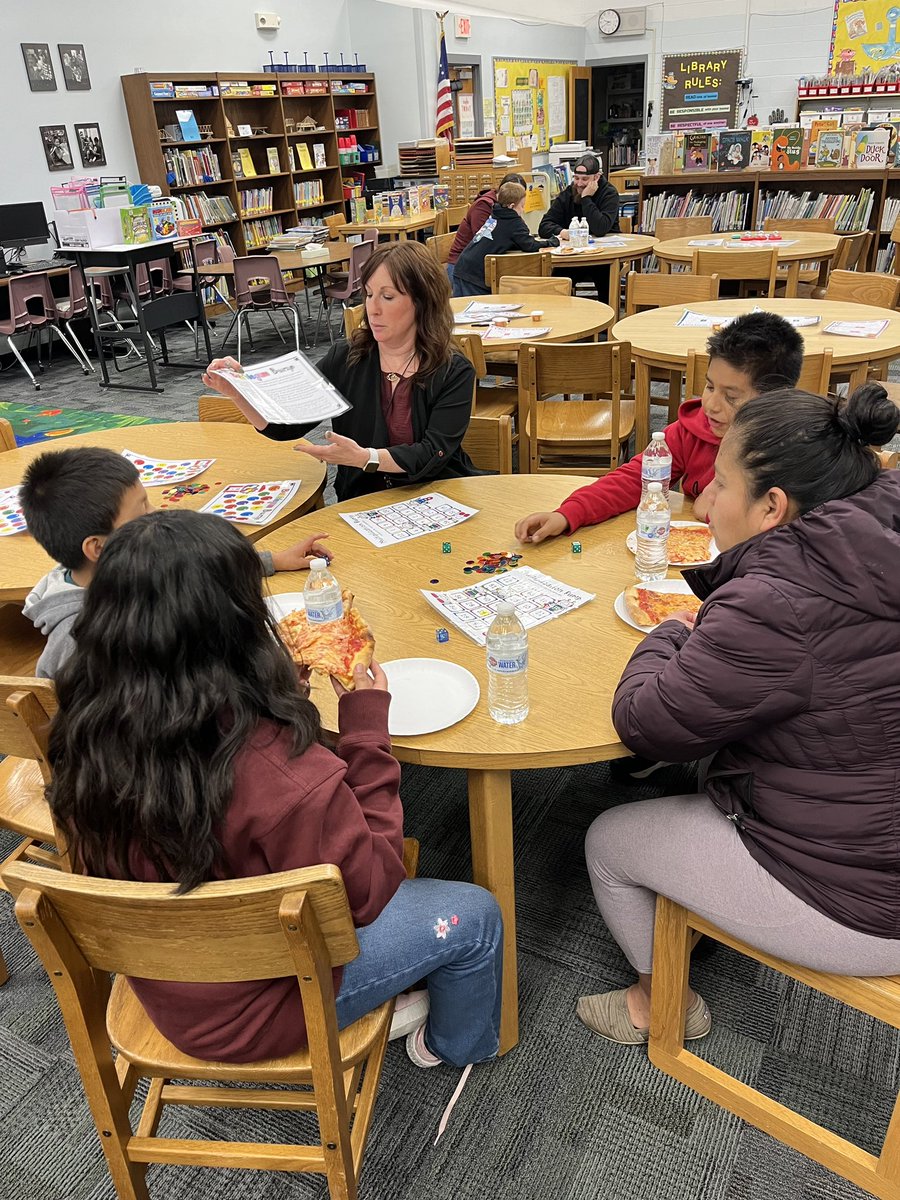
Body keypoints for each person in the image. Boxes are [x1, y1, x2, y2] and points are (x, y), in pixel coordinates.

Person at [46, 509, 503, 1074]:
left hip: (169, 985)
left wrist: (270, 703)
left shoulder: (84, 726)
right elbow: (373, 887)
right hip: (268, 1006)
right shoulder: (282, 775)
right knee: (476, 916)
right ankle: (456, 1046)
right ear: (239, 624)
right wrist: (365, 733)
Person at [579, 382, 900, 1045]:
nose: (702, 502)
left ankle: (659, 1004)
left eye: (720, 485)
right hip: (872, 825)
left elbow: (645, 723)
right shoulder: (876, 533)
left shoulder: (777, 603)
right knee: (716, 760)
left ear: (771, 507)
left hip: (865, 899)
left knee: (607, 841)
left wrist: (671, 631)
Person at [19, 447, 329, 678]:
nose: (156, 512)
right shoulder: (80, 640)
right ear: (98, 547)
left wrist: (273, 560)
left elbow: (192, 565)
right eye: (142, 509)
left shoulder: (137, 568)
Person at [203, 241, 477, 502]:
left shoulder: (453, 370)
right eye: (369, 294)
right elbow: (284, 427)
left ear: (422, 301)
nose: (373, 309)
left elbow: (433, 453)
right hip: (363, 499)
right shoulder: (347, 358)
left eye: (388, 297)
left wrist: (366, 458)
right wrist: (240, 392)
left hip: (437, 494)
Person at [514, 311, 804, 546]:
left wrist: (712, 505)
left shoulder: (796, 452)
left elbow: (790, 538)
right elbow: (634, 479)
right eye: (709, 386)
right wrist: (567, 514)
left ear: (774, 400)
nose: (711, 405)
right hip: (690, 557)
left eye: (731, 397)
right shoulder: (694, 429)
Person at [451, 181, 560, 298]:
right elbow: (530, 245)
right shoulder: (513, 222)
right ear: (512, 206)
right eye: (522, 206)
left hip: (464, 266)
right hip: (473, 275)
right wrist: (552, 242)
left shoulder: (496, 214)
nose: (523, 210)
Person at [538, 153, 620, 300]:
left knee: (607, 283)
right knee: (556, 284)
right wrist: (563, 232)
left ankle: (609, 312)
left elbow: (600, 228)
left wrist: (586, 198)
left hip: (603, 258)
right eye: (576, 178)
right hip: (573, 257)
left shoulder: (609, 193)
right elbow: (544, 226)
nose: (579, 184)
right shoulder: (568, 193)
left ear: (596, 177)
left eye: (585, 179)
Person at [447, 171, 527, 287]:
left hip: (486, 264)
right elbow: (487, 240)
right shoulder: (484, 205)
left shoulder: (506, 210)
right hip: (464, 269)